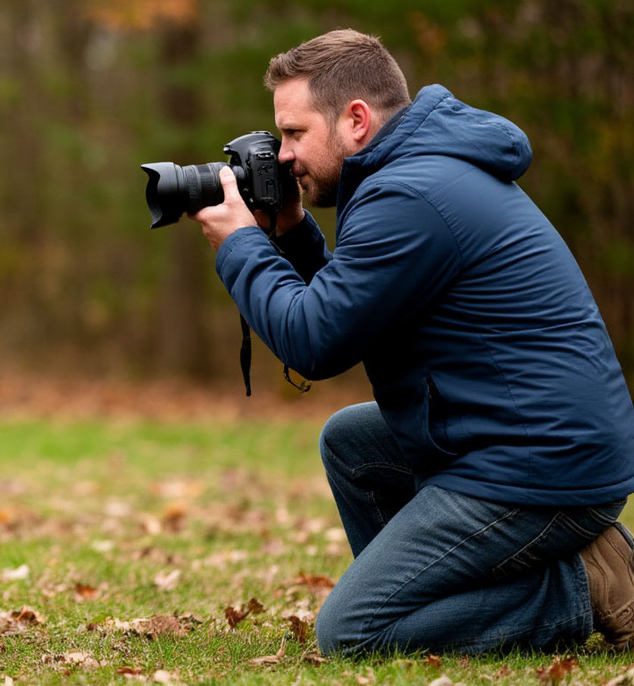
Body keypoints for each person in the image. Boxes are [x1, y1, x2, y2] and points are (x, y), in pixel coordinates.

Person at [190, 28, 634, 655]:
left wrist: (240, 244)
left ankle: (584, 585)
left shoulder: (409, 195)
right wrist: (288, 230)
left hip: (538, 463)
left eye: (294, 134)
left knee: (352, 633)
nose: (283, 155)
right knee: (353, 444)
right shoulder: (411, 176)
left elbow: (315, 342)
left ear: (357, 120)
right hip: (521, 437)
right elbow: (348, 311)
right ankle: (431, 605)